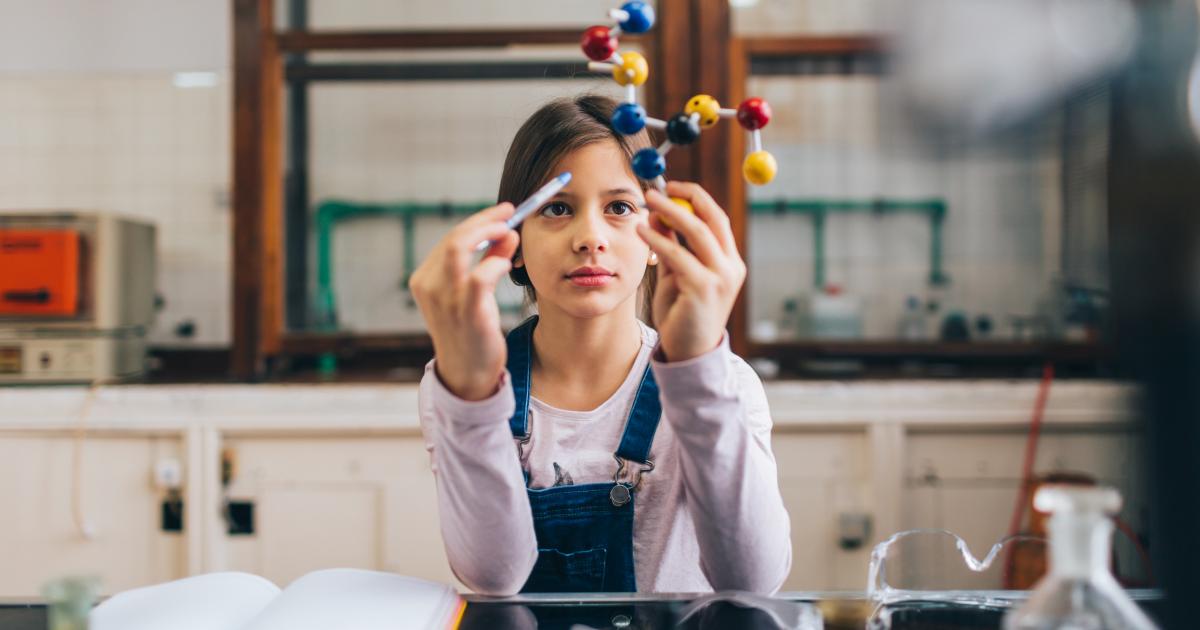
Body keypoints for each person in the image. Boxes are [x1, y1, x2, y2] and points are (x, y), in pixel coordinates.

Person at [411, 94, 791, 595]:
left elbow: (753, 580)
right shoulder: (461, 384)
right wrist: (471, 393)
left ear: (659, 235)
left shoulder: (727, 382)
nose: (590, 236)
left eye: (619, 207)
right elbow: (493, 577)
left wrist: (698, 372)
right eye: (558, 208)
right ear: (514, 243)